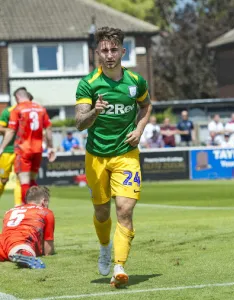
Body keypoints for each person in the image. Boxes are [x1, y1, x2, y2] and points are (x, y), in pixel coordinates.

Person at [75, 27, 152, 288]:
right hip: (96, 156)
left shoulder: (136, 81)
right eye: (104, 50)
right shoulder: (89, 83)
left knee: (125, 209)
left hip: (126, 154)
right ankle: (105, 246)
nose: (109, 55)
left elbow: (146, 105)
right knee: (101, 211)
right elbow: (79, 123)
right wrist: (94, 111)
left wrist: (139, 130)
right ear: (98, 52)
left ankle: (119, 266)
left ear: (122, 51)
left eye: (114, 50)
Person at [0, 87, 56, 204]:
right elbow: (49, 128)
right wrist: (51, 147)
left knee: (23, 181)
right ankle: (40, 203)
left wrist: (1, 147)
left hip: (22, 149)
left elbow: (10, 131)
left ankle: (24, 208)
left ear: (17, 98)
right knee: (31, 181)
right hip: (37, 149)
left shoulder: (17, 109)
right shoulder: (40, 108)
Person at [0, 186, 55, 269]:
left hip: (3, 240)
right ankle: (22, 254)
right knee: (23, 249)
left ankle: (16, 254)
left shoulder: (10, 211)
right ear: (44, 201)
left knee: (10, 248)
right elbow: (48, 250)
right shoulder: (46, 212)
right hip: (22, 240)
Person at [0, 103, 22, 206]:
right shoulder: (7, 111)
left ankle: (18, 206)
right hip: (7, 151)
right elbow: (0, 128)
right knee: (3, 179)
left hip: (21, 150)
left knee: (20, 179)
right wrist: (11, 130)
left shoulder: (29, 111)